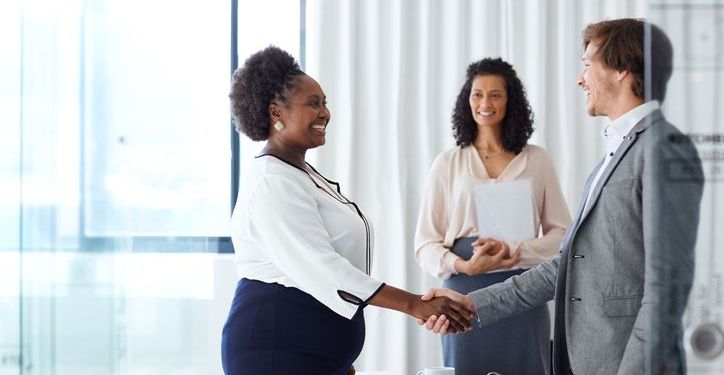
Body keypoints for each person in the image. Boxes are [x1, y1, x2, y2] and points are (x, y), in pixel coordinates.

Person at [421, 18, 705, 374]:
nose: (579, 78)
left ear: (621, 69)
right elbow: (565, 265)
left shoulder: (664, 148)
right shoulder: (612, 156)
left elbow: (666, 290)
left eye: (587, 65)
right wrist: (470, 304)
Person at [220, 46, 473, 375]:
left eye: (325, 102)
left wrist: (339, 357)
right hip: (276, 351)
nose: (325, 113)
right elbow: (325, 270)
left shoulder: (301, 175)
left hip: (315, 355)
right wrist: (416, 305)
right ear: (275, 113)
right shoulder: (273, 183)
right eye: (313, 103)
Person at [414, 57, 571, 375]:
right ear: (467, 100)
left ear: (510, 100)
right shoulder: (448, 164)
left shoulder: (538, 160)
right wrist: (464, 265)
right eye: (477, 94)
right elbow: (425, 244)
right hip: (463, 292)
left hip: (524, 287)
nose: (485, 102)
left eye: (495, 94)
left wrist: (516, 253)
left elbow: (563, 235)